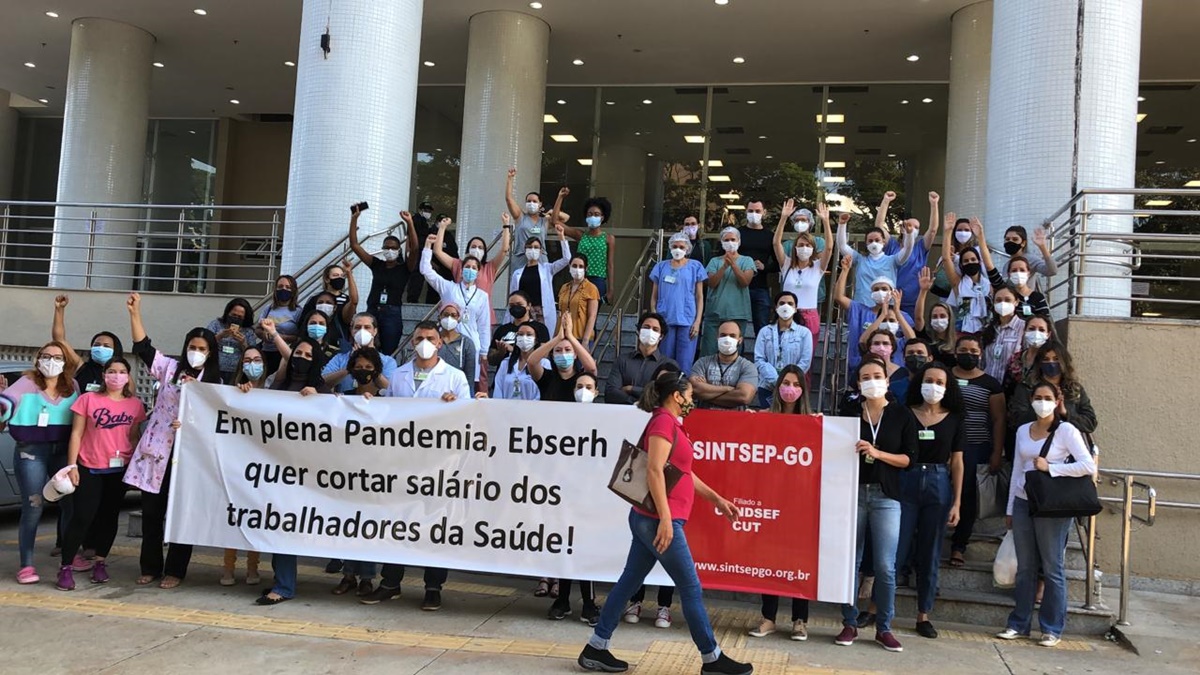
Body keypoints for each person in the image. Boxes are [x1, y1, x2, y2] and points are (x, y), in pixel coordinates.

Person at [578, 370, 753, 675]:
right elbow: (655, 472)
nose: (691, 400)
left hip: (652, 519)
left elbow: (683, 473)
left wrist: (717, 500)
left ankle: (596, 647)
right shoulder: (662, 422)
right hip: (656, 520)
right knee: (690, 587)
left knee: (628, 582)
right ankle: (712, 658)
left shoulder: (671, 423)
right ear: (676, 396)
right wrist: (667, 520)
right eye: (689, 395)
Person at [357, 322, 471, 611]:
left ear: (440, 342)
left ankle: (433, 586)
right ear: (412, 343)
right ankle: (390, 583)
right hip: (403, 464)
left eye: (430, 338)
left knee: (435, 526)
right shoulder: (399, 375)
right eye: (419, 338)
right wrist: (371, 403)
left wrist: (454, 405)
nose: (424, 342)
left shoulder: (455, 378)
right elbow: (391, 415)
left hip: (440, 465)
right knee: (398, 523)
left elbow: (469, 418)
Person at [124, 292, 221, 589]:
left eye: (201, 348)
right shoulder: (168, 369)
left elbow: (219, 422)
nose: (195, 352)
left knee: (181, 513)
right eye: (192, 347)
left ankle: (176, 569)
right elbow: (143, 348)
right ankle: (150, 566)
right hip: (157, 452)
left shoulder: (215, 383)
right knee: (152, 513)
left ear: (210, 353)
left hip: (189, 456)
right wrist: (135, 312)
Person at [997, 382, 1097, 647]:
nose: (1042, 402)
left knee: (1052, 567)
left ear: (1057, 400)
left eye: (1047, 398)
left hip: (1051, 506)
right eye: (1038, 397)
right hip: (1022, 502)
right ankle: (1018, 623)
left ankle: (1051, 628)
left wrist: (1051, 468)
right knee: (1025, 567)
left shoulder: (1066, 430)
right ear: (1031, 400)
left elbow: (1087, 465)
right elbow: (1018, 469)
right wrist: (1009, 509)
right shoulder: (1021, 431)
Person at [833, 355, 916, 653]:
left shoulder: (902, 414)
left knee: (885, 565)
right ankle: (849, 622)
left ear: (887, 379)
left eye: (876, 375)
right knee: (850, 562)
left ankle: (884, 627)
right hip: (852, 494)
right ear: (858, 383)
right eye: (865, 377)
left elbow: (909, 459)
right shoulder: (850, 411)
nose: (871, 381)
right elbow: (832, 442)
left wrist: (878, 454)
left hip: (886, 496)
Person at [55, 358, 146, 590]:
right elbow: (76, 434)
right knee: (83, 516)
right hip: (89, 466)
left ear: (128, 376)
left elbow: (133, 436)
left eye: (122, 371)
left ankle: (100, 563)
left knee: (109, 518)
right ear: (104, 375)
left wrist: (136, 467)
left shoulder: (135, 404)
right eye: (112, 371)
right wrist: (72, 465)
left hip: (118, 470)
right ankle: (66, 567)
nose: (117, 376)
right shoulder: (88, 399)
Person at [255, 339, 333, 606]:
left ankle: (285, 585)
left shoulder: (320, 388)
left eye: (308, 354)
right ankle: (282, 582)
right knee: (279, 526)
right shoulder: (279, 385)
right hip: (277, 469)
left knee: (290, 526)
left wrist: (319, 400)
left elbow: (336, 419)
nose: (301, 357)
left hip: (309, 475)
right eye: (297, 353)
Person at [0, 338, 80, 585]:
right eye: (46, 356)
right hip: (31, 451)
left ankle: (70, 555)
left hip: (62, 452)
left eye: (57, 357)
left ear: (65, 362)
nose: (51, 361)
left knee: (69, 504)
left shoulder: (72, 385)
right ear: (38, 360)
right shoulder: (27, 383)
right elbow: (7, 402)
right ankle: (26, 565)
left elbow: (81, 418)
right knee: (33, 507)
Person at [896, 363, 965, 639]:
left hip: (938, 483)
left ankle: (923, 614)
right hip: (906, 478)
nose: (933, 386)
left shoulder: (956, 418)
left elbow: (958, 462)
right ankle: (878, 609)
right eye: (929, 380)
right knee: (895, 548)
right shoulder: (904, 413)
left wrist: (957, 502)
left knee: (930, 551)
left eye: (940, 381)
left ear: (947, 387)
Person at [747, 364, 814, 641]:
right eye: (786, 383)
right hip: (770, 497)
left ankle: (800, 620)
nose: (790, 389)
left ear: (803, 390)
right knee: (769, 559)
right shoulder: (764, 417)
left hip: (800, 501)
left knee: (799, 560)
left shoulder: (813, 422)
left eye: (796, 384)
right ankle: (769, 618)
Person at [947, 335, 1006, 568]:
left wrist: (996, 452)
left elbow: (999, 419)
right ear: (955, 351)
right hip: (944, 444)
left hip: (976, 445)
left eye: (973, 351)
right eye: (963, 350)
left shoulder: (991, 384)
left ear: (981, 354)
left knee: (969, 497)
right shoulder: (944, 377)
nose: (968, 354)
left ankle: (959, 545)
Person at [223, 347, 270, 586]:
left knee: (256, 519)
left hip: (266, 469)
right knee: (234, 516)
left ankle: (253, 567)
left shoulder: (274, 390)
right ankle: (228, 567)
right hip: (238, 465)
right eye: (248, 360)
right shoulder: (232, 392)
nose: (253, 364)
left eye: (258, 360)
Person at [419, 233, 491, 387]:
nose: (470, 270)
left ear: (478, 272)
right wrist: (427, 247)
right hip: (447, 341)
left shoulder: (482, 296)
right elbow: (426, 271)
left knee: (468, 384)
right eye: (467, 267)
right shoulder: (449, 288)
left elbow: (484, 325)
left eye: (473, 268)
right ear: (461, 269)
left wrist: (484, 352)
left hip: (472, 343)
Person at [348, 203, 419, 356]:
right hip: (372, 310)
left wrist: (410, 223)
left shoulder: (405, 268)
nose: (389, 250)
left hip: (392, 313)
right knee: (365, 348)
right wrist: (354, 219)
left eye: (393, 248)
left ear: (398, 250)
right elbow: (355, 245)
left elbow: (414, 249)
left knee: (388, 352)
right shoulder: (377, 264)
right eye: (386, 247)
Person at [773, 199, 833, 354]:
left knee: (806, 359)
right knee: (784, 355)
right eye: (800, 245)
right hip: (787, 315)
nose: (804, 248)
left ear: (813, 249)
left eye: (808, 245)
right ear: (795, 248)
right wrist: (784, 218)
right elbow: (775, 243)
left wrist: (826, 222)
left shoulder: (818, 267)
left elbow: (829, 247)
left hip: (809, 316)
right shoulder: (786, 264)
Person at [834, 263, 915, 372]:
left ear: (892, 292)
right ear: (871, 293)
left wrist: (897, 311)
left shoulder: (901, 316)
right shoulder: (860, 310)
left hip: (895, 366)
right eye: (876, 289)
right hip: (861, 365)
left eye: (884, 288)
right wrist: (844, 271)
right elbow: (839, 297)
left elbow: (912, 340)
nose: (880, 292)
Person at [1007, 342, 1098, 437]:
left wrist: (1065, 413)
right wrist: (1043, 408)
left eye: (1056, 359)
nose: (1051, 363)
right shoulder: (1027, 387)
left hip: (1068, 447)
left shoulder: (1074, 389)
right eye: (1046, 359)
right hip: (1036, 445)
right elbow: (1016, 421)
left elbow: (1090, 423)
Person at [509, 201, 572, 336]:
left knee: (542, 342)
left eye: (536, 247)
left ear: (541, 250)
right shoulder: (517, 274)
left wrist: (561, 237)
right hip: (522, 312)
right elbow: (513, 296)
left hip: (541, 312)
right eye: (530, 247)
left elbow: (567, 259)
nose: (533, 250)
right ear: (525, 250)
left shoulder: (547, 269)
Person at [836, 204, 915, 307]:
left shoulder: (892, 260)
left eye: (877, 240)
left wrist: (909, 235)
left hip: (886, 310)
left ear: (884, 241)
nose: (874, 243)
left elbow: (907, 249)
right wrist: (842, 225)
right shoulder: (860, 260)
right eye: (870, 241)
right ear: (866, 243)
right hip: (862, 308)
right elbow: (842, 246)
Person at [649, 232, 707, 373]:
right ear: (669, 247)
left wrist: (698, 322)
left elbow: (699, 296)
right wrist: (655, 317)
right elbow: (654, 296)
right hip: (665, 318)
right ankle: (665, 390)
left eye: (681, 247)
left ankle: (682, 392)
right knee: (665, 361)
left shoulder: (695, 267)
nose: (678, 249)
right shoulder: (661, 267)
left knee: (685, 363)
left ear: (687, 248)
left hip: (688, 320)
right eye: (674, 246)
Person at [878, 191, 942, 318]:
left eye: (916, 227)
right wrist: (886, 201)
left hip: (911, 302)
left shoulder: (920, 248)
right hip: (889, 300)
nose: (912, 228)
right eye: (909, 225)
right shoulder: (891, 245)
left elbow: (933, 230)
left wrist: (934, 204)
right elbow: (879, 226)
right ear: (902, 228)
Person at [51, 296, 124, 395]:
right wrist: (59, 309)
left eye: (106, 346)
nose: (100, 348)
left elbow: (129, 399)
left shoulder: (122, 374)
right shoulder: (82, 367)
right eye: (97, 345)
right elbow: (59, 340)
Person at [701, 227, 756, 356]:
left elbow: (745, 282)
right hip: (715, 313)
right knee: (709, 352)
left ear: (739, 241)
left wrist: (733, 264)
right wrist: (724, 266)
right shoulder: (714, 262)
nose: (730, 242)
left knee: (733, 351)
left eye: (733, 239)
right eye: (726, 240)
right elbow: (711, 283)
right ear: (721, 242)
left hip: (737, 313)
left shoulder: (747, 261)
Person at [753, 291, 813, 408]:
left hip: (793, 388)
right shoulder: (765, 331)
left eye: (790, 303)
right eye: (782, 303)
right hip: (767, 387)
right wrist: (778, 381)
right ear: (776, 308)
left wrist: (787, 382)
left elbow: (805, 362)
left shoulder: (804, 333)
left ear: (796, 309)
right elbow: (759, 359)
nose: (786, 306)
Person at [605, 312, 677, 405]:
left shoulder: (668, 365)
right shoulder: (622, 360)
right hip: (622, 415)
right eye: (646, 327)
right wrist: (635, 402)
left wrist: (631, 389)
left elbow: (664, 396)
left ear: (661, 336)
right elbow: (610, 393)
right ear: (639, 331)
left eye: (655, 329)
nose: (650, 331)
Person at [504, 167, 569, 270]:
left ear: (540, 204)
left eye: (534, 201)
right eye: (528, 201)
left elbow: (556, 219)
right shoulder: (520, 217)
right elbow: (508, 199)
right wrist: (510, 178)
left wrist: (560, 197)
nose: (531, 203)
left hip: (540, 261)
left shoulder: (544, 221)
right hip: (521, 261)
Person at [560, 194, 616, 305]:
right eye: (590, 214)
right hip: (579, 277)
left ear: (602, 217)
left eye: (596, 214)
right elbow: (555, 222)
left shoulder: (609, 238)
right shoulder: (580, 235)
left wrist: (611, 289)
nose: (593, 217)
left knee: (592, 315)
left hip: (598, 280)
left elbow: (610, 265)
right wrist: (560, 197)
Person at [321, 313, 399, 393]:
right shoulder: (339, 359)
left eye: (367, 327)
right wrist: (349, 368)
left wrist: (372, 368)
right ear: (352, 331)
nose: (362, 331)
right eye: (357, 327)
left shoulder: (388, 361)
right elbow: (322, 383)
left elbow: (391, 389)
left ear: (375, 331)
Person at [690, 320, 758, 411]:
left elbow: (744, 396)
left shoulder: (748, 367)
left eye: (732, 336)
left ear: (740, 340)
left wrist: (706, 393)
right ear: (717, 337)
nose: (727, 339)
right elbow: (695, 390)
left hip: (735, 420)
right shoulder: (702, 363)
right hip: (705, 418)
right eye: (723, 335)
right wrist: (728, 389)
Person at [941, 216, 992, 333]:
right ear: (961, 265)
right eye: (966, 261)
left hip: (986, 333)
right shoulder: (958, 283)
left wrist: (980, 236)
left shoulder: (990, 285)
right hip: (961, 333)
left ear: (979, 262)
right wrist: (948, 232)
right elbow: (946, 259)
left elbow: (989, 264)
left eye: (973, 259)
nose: (970, 262)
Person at [735, 199, 777, 333]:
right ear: (746, 212)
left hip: (760, 287)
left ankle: (762, 354)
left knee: (762, 328)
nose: (754, 214)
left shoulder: (770, 236)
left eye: (757, 211)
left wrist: (765, 267)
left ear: (764, 213)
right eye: (751, 211)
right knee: (735, 327)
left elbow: (779, 264)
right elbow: (723, 256)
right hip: (737, 287)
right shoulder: (737, 234)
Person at [299, 260, 360, 353]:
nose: (339, 278)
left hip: (338, 344)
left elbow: (354, 302)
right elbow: (303, 322)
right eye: (335, 275)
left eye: (342, 276)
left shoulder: (346, 299)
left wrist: (349, 273)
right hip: (315, 344)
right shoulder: (315, 299)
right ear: (327, 279)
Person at [489, 290, 552, 369]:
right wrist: (501, 353)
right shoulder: (502, 330)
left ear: (528, 306)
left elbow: (544, 354)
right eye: (512, 305)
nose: (516, 308)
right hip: (505, 374)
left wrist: (514, 351)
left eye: (519, 304)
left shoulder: (540, 328)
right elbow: (491, 360)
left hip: (531, 374)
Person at [487, 323, 547, 401]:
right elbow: (498, 390)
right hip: (506, 410)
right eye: (520, 335)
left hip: (532, 410)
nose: (524, 338)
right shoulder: (505, 363)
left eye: (529, 335)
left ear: (536, 340)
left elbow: (543, 392)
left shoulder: (544, 364)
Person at [205, 298, 260, 382]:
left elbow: (252, 353)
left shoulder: (248, 331)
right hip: (215, 368)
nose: (236, 318)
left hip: (237, 371)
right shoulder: (216, 324)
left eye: (240, 317)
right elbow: (205, 343)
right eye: (233, 315)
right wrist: (220, 336)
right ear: (228, 313)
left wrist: (243, 343)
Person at [1002, 315, 1058, 398]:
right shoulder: (1015, 359)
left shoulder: (1052, 360)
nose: (1036, 333)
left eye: (1041, 330)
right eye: (1031, 329)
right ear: (1025, 331)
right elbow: (1007, 387)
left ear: (1048, 334)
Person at [257, 275, 301, 374]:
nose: (283, 289)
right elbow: (258, 329)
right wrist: (263, 335)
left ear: (293, 291)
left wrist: (280, 337)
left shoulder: (298, 311)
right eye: (280, 286)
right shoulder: (268, 308)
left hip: (284, 354)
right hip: (266, 352)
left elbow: (299, 337)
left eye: (288, 287)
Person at [914, 268, 958, 367]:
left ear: (949, 318)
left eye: (942, 316)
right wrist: (923, 291)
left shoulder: (957, 343)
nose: (938, 319)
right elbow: (918, 318)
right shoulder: (926, 337)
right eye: (934, 316)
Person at [981, 285, 1026, 382]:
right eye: (998, 300)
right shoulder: (988, 328)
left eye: (1007, 300)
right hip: (988, 385)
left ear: (1016, 302)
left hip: (1011, 386)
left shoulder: (1024, 328)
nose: (1002, 303)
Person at [987, 254, 1050, 318]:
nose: (1018, 273)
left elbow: (1044, 322)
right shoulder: (1005, 293)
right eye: (1014, 270)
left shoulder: (1038, 298)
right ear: (1009, 274)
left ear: (1028, 273)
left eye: (1022, 270)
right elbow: (990, 268)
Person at [557, 252, 601, 344]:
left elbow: (592, 316)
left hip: (580, 338)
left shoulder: (591, 288)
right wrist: (555, 337)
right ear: (569, 267)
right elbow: (560, 315)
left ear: (586, 269)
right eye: (574, 266)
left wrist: (585, 340)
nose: (577, 269)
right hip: (563, 338)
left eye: (581, 266)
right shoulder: (564, 287)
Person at [1000, 225, 1058, 289]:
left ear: (1023, 243)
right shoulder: (1006, 265)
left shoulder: (1030, 259)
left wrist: (1043, 247)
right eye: (1007, 239)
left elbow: (1052, 271)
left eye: (1015, 239)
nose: (1010, 242)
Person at [861, 329, 911, 401]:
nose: (881, 347)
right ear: (870, 347)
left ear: (892, 348)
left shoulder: (903, 372)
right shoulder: (862, 371)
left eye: (885, 343)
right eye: (876, 343)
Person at [436, 302, 477, 385]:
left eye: (453, 315)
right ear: (440, 317)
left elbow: (469, 375)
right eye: (446, 314)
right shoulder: (433, 340)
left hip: (457, 388)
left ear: (458, 318)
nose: (449, 318)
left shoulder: (466, 343)